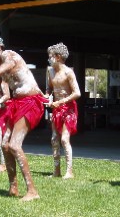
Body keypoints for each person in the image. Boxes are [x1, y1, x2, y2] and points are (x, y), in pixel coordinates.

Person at [0, 33, 47, 201]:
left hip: (31, 102)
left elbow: (8, 65)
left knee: (15, 145)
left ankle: (32, 191)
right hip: (16, 104)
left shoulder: (10, 55)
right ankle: (13, 188)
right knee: (4, 144)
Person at [45, 43, 81, 179]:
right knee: (54, 139)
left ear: (58, 57)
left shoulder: (68, 72)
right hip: (56, 109)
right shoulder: (50, 71)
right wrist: (47, 96)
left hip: (68, 109)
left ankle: (69, 171)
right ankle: (56, 170)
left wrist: (61, 101)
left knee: (65, 139)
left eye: (50, 56)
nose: (49, 59)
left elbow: (77, 93)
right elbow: (49, 88)